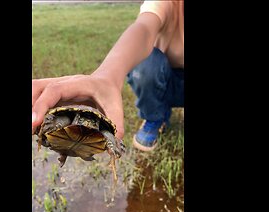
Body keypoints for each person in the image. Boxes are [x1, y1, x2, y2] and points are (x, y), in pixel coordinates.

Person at [32, 0, 184, 151]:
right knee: (145, 63)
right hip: (162, 77)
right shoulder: (168, 3)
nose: (85, 122)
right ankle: (153, 117)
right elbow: (144, 27)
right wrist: (107, 76)